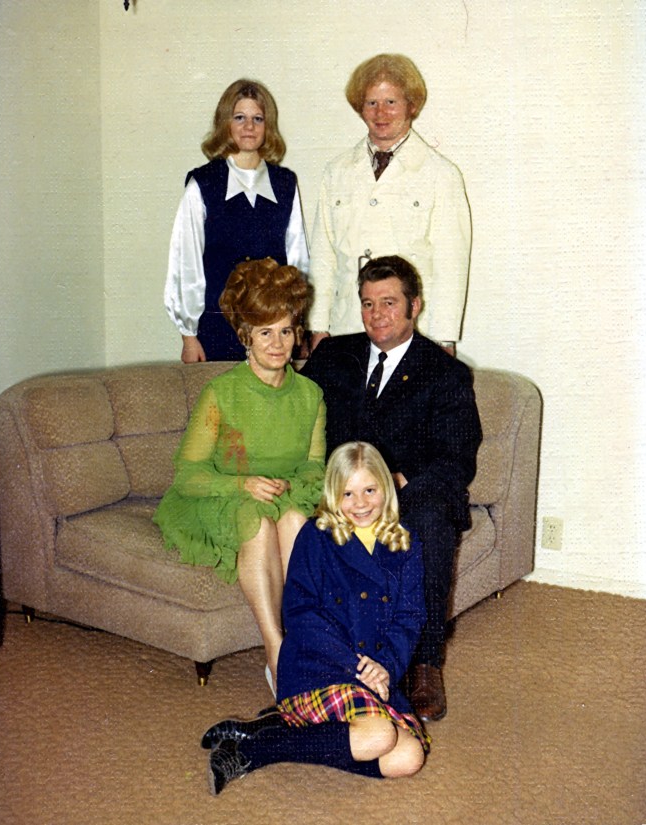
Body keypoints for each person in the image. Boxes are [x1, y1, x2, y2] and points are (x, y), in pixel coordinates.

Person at [301, 255, 482, 722]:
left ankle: (425, 663)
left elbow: (456, 458)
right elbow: (294, 417)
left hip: (411, 493)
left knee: (429, 517)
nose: (376, 315)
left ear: (414, 306)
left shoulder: (445, 374)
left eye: (388, 302)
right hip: (341, 489)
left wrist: (397, 486)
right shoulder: (332, 357)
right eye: (367, 304)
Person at [201, 441, 430, 795]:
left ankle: (282, 732)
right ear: (332, 496)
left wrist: (385, 666)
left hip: (377, 672)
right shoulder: (316, 536)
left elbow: (410, 617)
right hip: (319, 667)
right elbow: (302, 614)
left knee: (409, 757)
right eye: (348, 494)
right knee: (380, 734)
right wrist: (358, 667)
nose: (361, 503)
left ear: (386, 487)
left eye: (370, 490)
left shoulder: (406, 545)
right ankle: (255, 750)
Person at [154, 258, 325, 691]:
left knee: (292, 520)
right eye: (265, 332)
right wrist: (242, 484)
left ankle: (304, 638)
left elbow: (314, 467)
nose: (277, 343)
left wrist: (290, 485)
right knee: (257, 520)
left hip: (282, 495)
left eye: (285, 330)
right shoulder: (220, 392)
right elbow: (187, 475)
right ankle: (276, 649)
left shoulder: (310, 395)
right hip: (219, 496)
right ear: (245, 335)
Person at [308, 54, 471, 356]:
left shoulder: (441, 174)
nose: (381, 112)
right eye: (371, 103)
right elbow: (322, 256)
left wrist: (444, 340)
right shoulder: (337, 171)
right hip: (347, 327)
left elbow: (451, 265)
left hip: (412, 334)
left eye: (391, 102)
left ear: (412, 105)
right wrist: (318, 327)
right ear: (360, 108)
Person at [164, 78, 309, 363]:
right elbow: (186, 263)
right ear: (225, 123)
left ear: (268, 126)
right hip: (217, 329)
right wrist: (189, 335)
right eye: (239, 117)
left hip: (274, 330)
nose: (249, 127)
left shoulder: (285, 184)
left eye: (258, 118)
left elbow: (299, 262)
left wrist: (298, 326)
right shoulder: (203, 184)